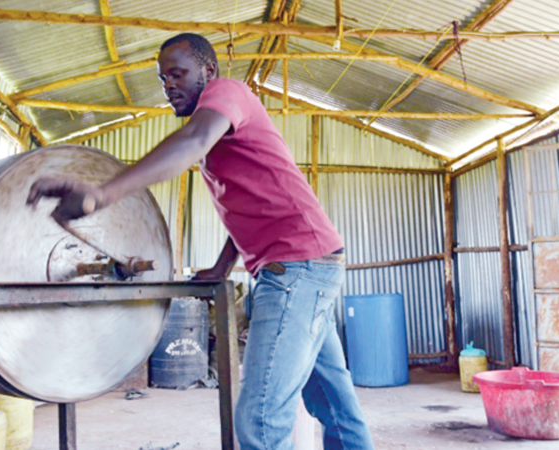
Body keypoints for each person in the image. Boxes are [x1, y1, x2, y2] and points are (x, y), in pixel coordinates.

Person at [27, 33, 374, 450]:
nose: (168, 85)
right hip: (308, 265)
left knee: (260, 422)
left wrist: (100, 194)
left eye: (177, 73)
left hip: (297, 270)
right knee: (336, 407)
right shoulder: (218, 137)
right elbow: (258, 204)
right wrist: (223, 265)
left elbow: (190, 143)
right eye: (162, 78)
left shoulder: (227, 94)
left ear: (208, 71)